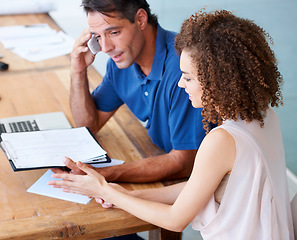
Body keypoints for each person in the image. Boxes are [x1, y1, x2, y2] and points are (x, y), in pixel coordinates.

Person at [49, 10, 294, 239]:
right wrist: (125, 195)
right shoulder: (264, 117)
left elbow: (175, 220)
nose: (180, 84)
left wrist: (105, 190)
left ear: (217, 81)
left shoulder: (221, 140)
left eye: (187, 77)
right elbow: (198, 187)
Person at [56, 0, 206, 183]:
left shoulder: (183, 68)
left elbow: (185, 162)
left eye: (113, 32)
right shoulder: (120, 65)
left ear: (141, 19)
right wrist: (78, 70)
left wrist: (102, 174)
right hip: (162, 161)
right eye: (97, 37)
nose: (105, 48)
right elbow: (88, 125)